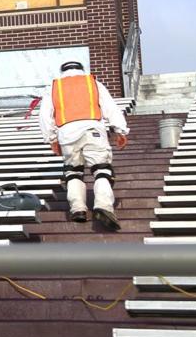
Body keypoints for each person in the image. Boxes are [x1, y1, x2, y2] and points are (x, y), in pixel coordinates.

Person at [37, 61, 129, 230]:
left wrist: (51, 139)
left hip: (66, 133)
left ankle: (78, 209)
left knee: (73, 172)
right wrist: (120, 130)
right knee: (102, 169)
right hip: (93, 129)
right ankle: (103, 205)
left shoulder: (53, 87)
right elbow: (111, 108)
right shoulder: (93, 82)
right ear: (81, 69)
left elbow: (44, 115)